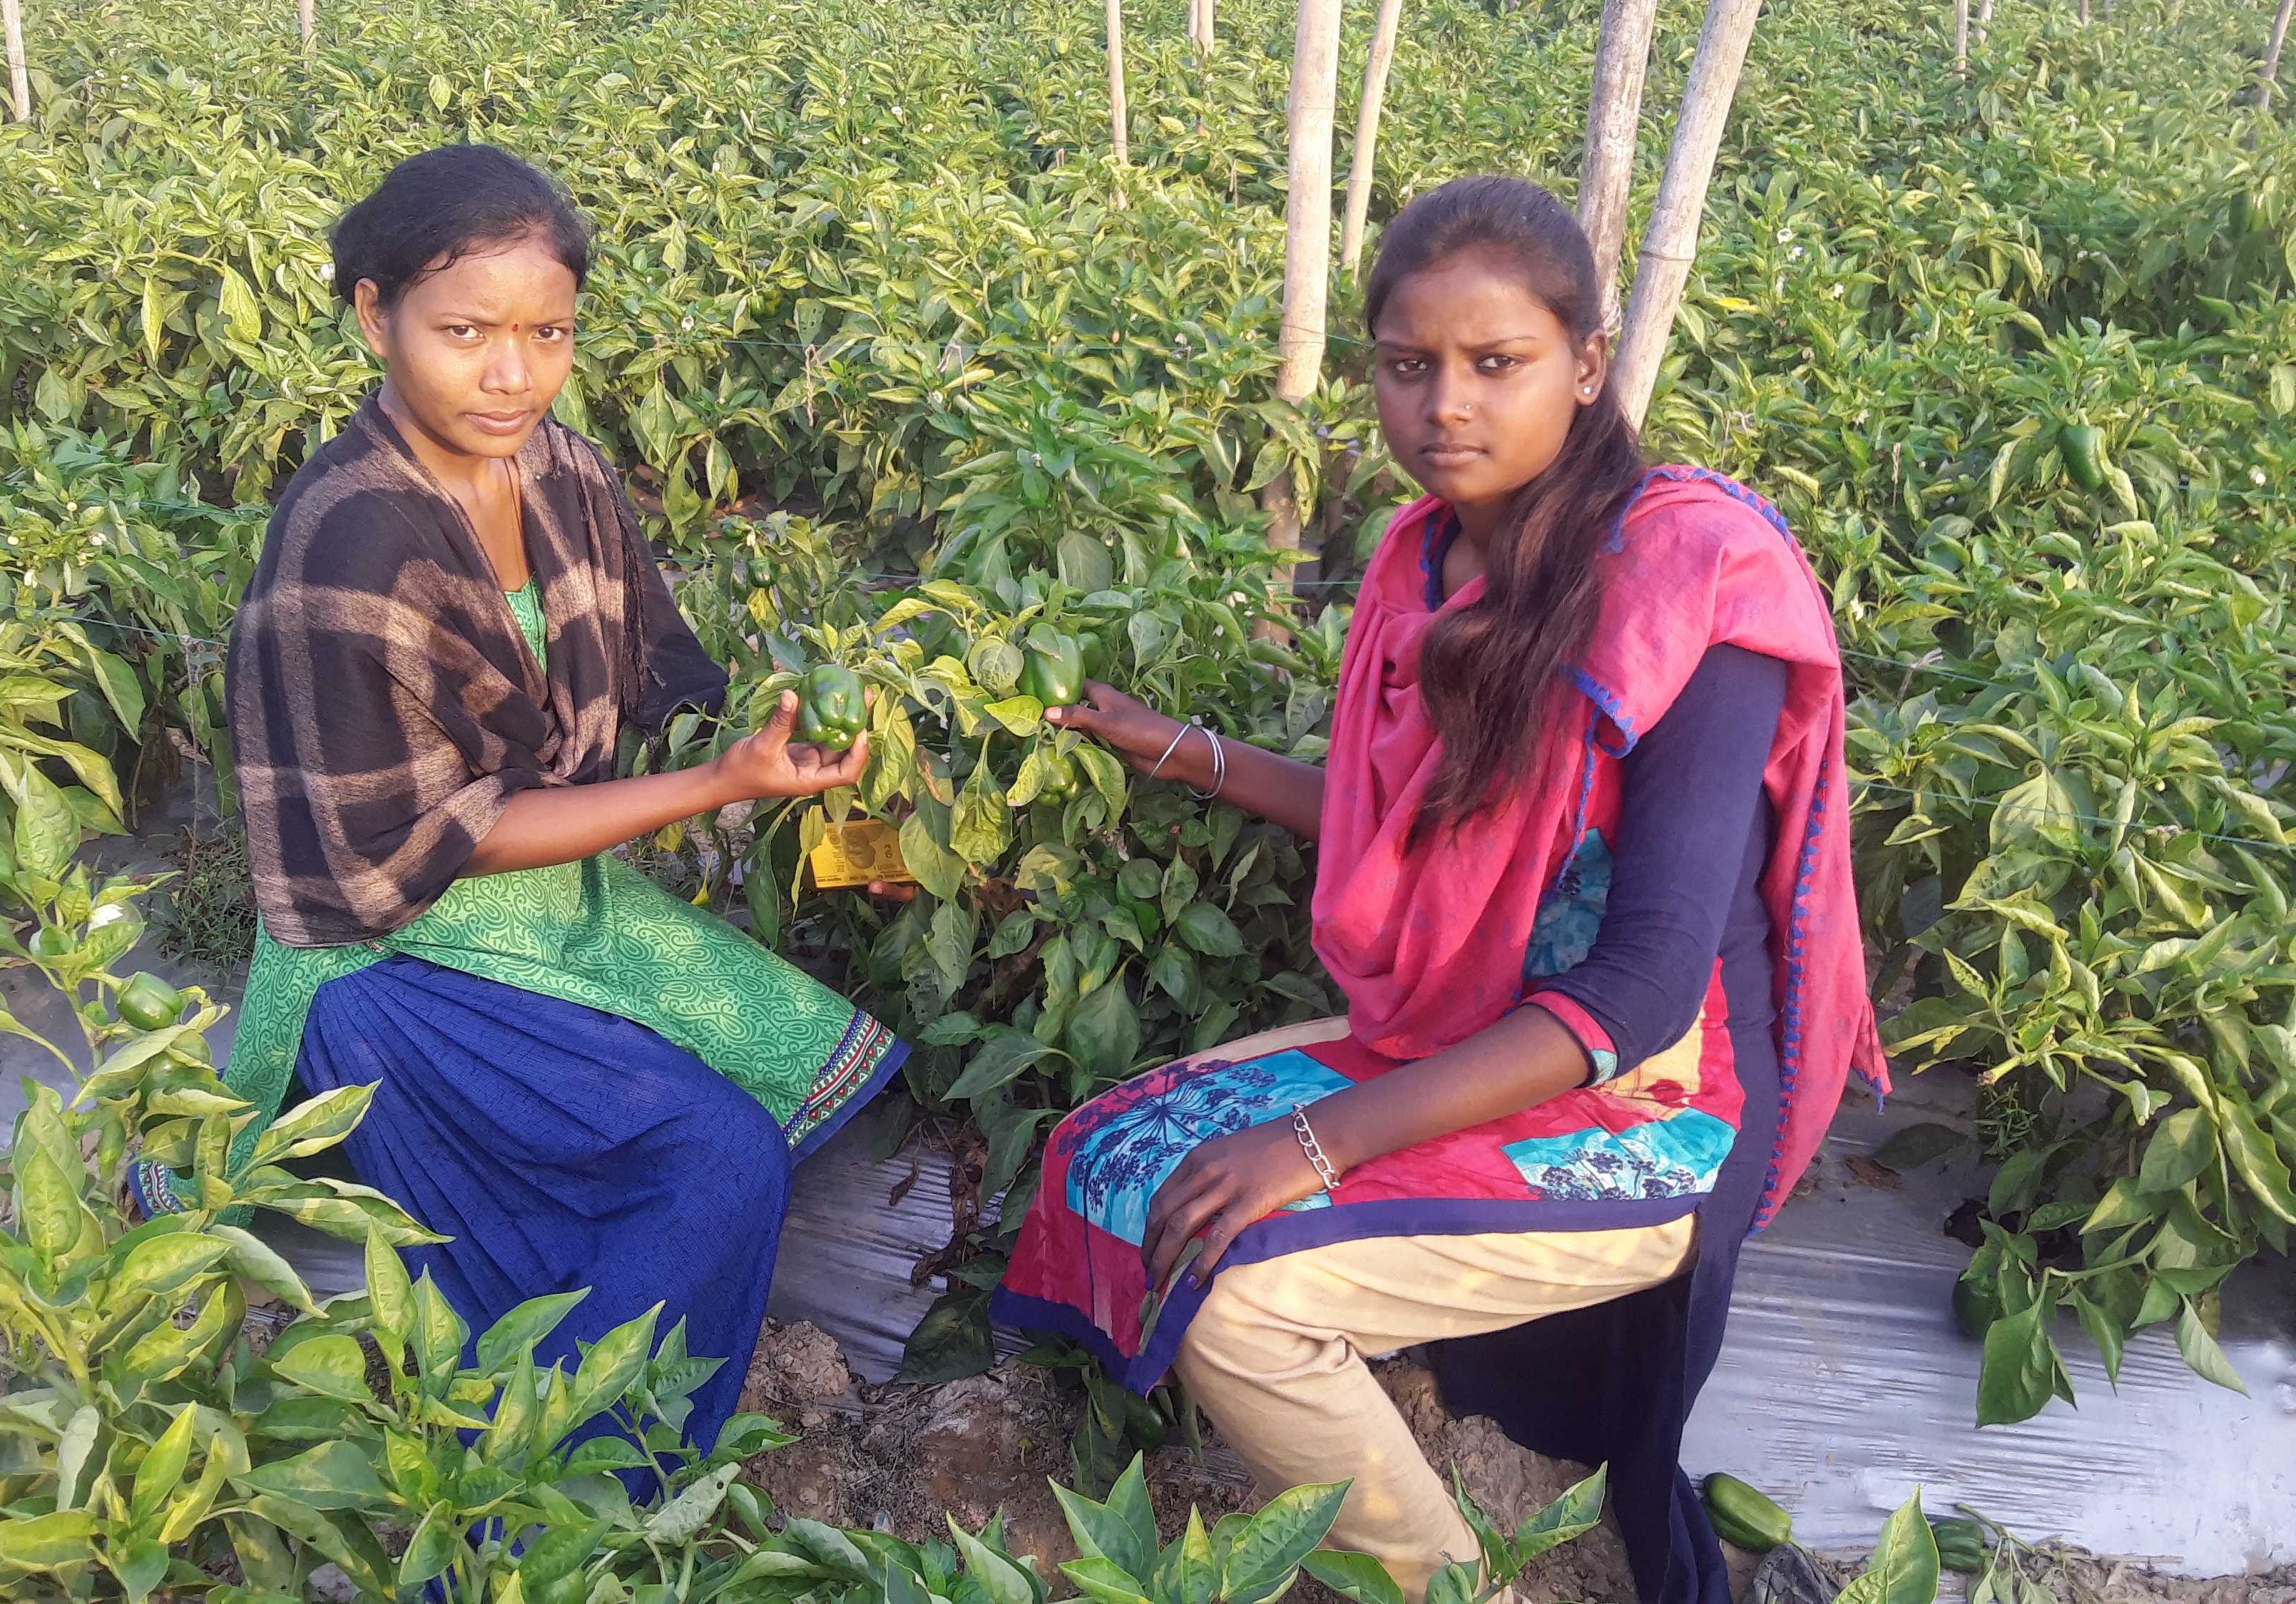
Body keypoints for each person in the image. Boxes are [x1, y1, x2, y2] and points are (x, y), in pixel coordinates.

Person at [991, 176, 1886, 1604]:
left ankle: (1454, 1583)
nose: (1445, 409)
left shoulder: (1693, 588)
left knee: (1244, 1301)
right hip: (1477, 1031)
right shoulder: (1430, 559)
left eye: (1497, 365)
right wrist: (1185, 752)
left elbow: (1643, 986)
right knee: (1113, 1149)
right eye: (1408, 369)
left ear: (1587, 368)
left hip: (1656, 1086)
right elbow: (1398, 817)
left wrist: (1328, 1141)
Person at [134, 143, 907, 1454]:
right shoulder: (349, 540)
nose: (512, 375)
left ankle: (541, 1458)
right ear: (375, 315)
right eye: (465, 332)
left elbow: (669, 675)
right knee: (710, 1157)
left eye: (546, 333)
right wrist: (708, 787)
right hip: (384, 960)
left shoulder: (565, 472)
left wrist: (833, 787)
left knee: (752, 1111)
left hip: (550, 908)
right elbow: (416, 845)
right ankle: (547, 1501)